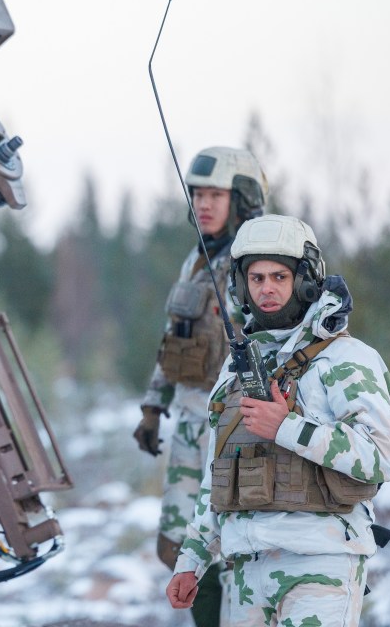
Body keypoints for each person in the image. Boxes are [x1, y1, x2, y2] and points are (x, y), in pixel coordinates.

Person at [166, 214, 390, 627]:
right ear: (242, 286)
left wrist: (287, 427)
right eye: (256, 278)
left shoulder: (345, 359)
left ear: (306, 280)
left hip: (321, 563)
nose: (267, 288)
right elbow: (217, 473)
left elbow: (383, 457)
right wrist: (191, 559)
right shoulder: (235, 369)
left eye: (279, 275)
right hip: (246, 569)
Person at [135, 146, 268, 625]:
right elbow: (174, 338)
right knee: (182, 549)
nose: (203, 204)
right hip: (191, 426)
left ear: (243, 199)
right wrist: (153, 407)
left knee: (233, 550)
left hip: (239, 433)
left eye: (216, 194)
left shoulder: (259, 264)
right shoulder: (196, 259)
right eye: (197, 194)